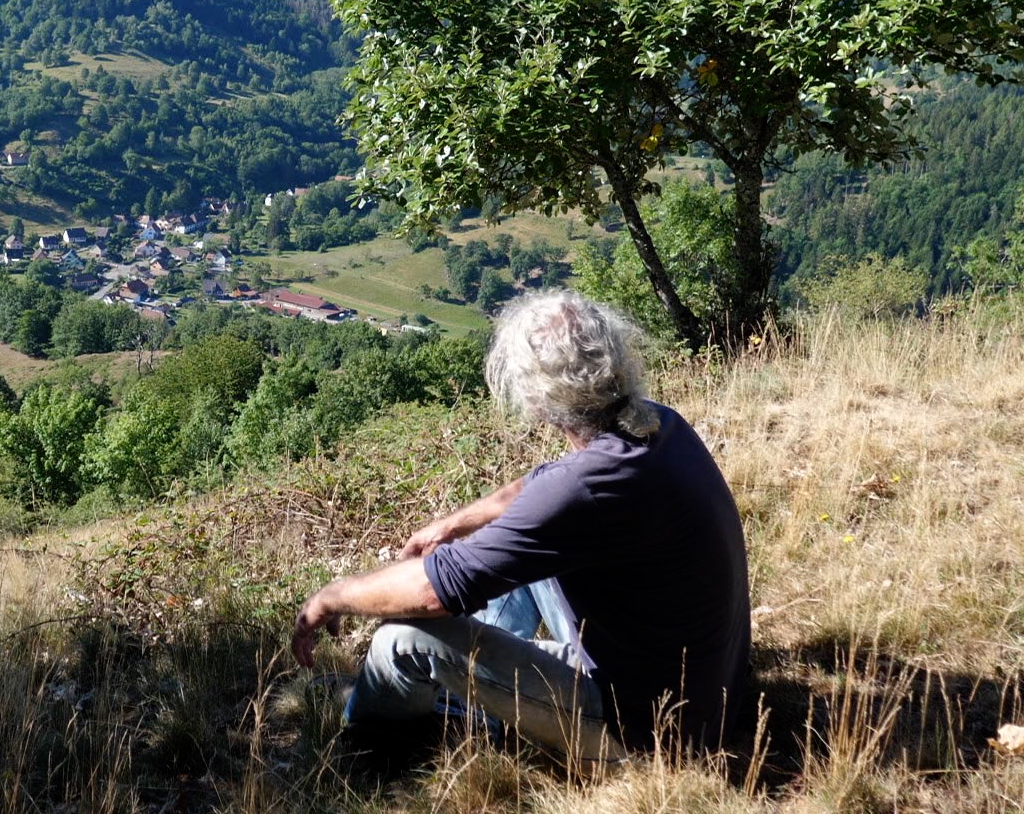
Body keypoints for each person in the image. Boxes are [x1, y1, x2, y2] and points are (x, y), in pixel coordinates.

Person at [291, 290, 751, 759]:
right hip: (701, 690)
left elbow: (434, 590)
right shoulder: (657, 425)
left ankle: (375, 745)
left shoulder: (582, 489)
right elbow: (541, 486)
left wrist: (334, 595)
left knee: (402, 641)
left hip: (651, 732)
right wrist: (452, 525)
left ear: (535, 401)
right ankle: (480, 693)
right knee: (525, 555)